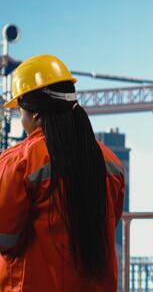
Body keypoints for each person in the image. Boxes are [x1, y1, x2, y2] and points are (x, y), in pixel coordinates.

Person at [0, 54, 125, 291]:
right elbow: (110, 221)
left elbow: (5, 237)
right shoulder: (111, 162)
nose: (21, 119)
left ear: (34, 112)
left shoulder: (20, 161)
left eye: (20, 111)